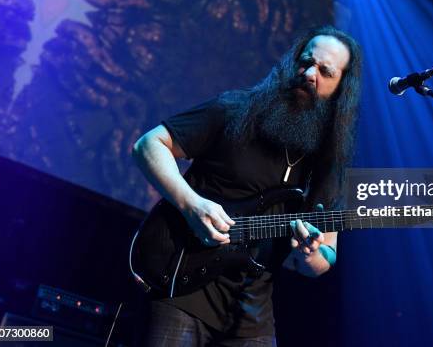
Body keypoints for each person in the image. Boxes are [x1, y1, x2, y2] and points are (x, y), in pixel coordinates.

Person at [132, 25, 362, 346]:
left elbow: (326, 258)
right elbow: (149, 145)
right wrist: (191, 204)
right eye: (305, 61)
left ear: (340, 90)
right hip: (182, 284)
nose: (310, 74)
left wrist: (310, 254)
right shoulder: (235, 109)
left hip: (252, 313)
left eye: (325, 71)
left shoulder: (328, 164)